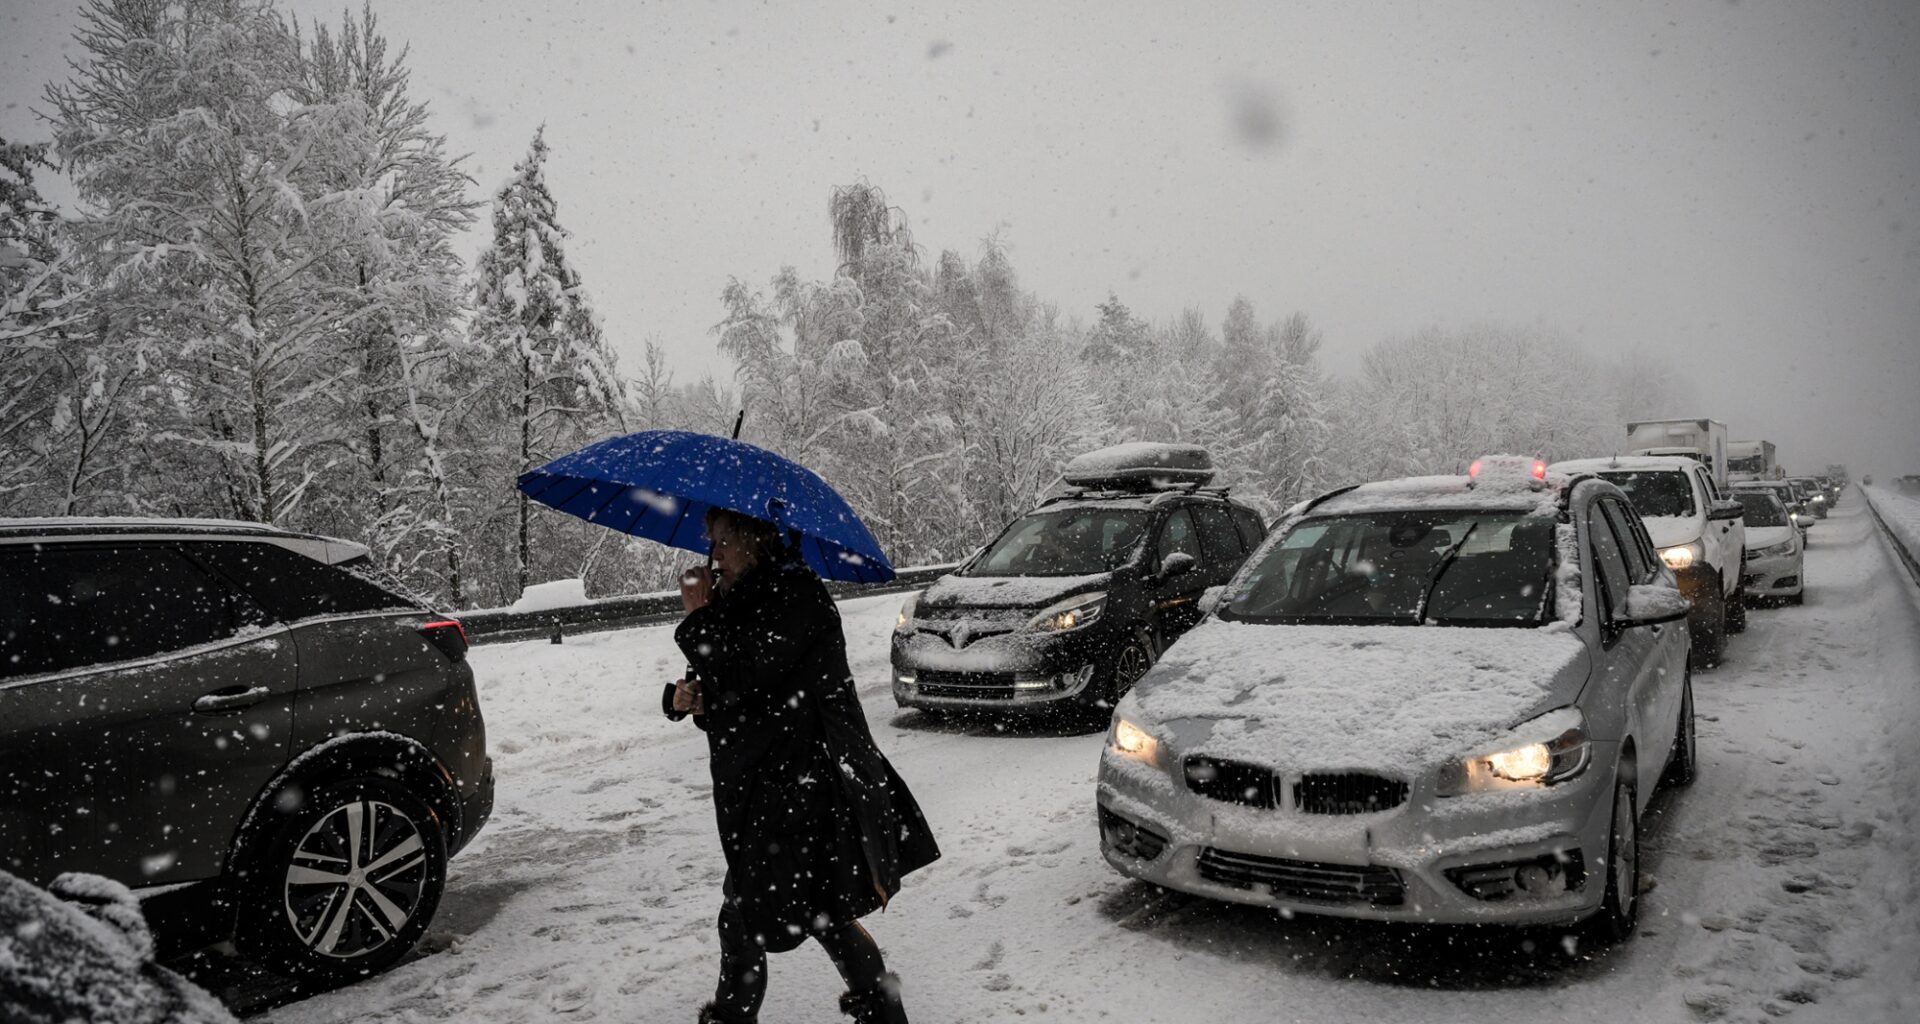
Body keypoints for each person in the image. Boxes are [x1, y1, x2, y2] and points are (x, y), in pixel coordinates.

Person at [665, 507, 939, 1024]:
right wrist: (691, 698)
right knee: (817, 913)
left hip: (800, 784)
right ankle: (885, 1013)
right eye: (713, 542)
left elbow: (751, 679)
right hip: (762, 786)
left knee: (751, 915)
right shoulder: (739, 597)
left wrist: (697, 615)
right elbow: (736, 691)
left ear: (756, 539)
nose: (714, 553)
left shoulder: (796, 595)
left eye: (725, 541)